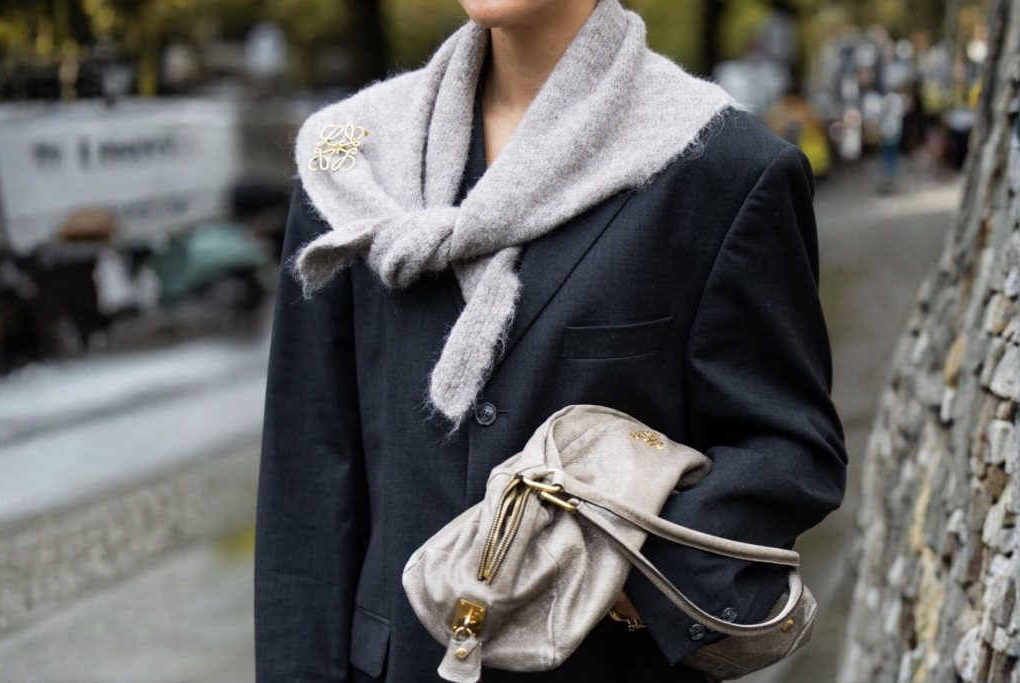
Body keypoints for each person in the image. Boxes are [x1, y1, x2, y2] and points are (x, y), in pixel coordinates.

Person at [253, 0, 848, 681]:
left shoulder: (725, 170)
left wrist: (627, 576)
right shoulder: (354, 160)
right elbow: (307, 476)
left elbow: (791, 452)